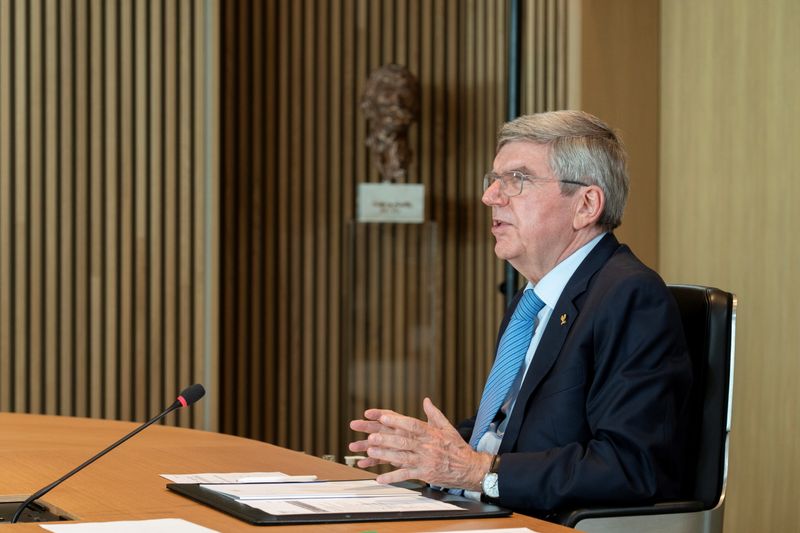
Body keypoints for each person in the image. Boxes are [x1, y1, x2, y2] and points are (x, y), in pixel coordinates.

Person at [348, 110, 693, 518]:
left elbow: (629, 466)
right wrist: (429, 448)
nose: (491, 196)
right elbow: (508, 431)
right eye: (493, 180)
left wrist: (476, 470)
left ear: (586, 204)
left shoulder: (630, 296)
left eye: (517, 180)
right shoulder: (532, 300)